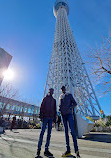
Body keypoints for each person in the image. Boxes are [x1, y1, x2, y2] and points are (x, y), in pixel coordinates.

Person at [59, 86, 80, 158]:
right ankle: (68, 150)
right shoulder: (60, 97)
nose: (62, 90)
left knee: (72, 132)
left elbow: (75, 103)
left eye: (63, 88)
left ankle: (77, 151)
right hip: (63, 116)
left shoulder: (69, 95)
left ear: (65, 89)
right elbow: (60, 105)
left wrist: (70, 108)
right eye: (61, 89)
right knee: (66, 133)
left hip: (69, 114)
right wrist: (60, 109)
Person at [35, 88, 56, 158]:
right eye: (50, 91)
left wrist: (54, 119)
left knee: (49, 135)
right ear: (49, 91)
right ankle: (38, 150)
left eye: (52, 91)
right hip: (45, 117)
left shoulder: (54, 100)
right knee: (42, 133)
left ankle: (46, 150)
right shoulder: (45, 99)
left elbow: (55, 110)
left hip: (51, 118)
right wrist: (41, 116)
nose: (51, 92)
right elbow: (41, 107)